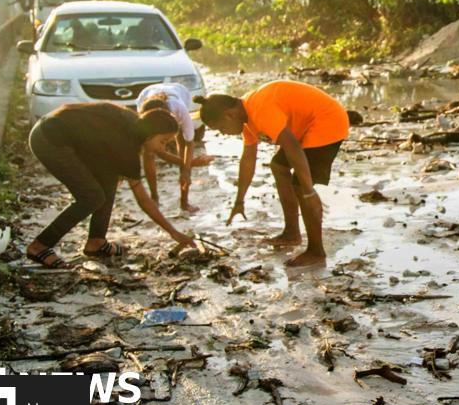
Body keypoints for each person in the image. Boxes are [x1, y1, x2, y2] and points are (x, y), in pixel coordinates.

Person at [195, 81, 349, 267]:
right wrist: (239, 201)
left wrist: (308, 190)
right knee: (278, 166)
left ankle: (316, 251)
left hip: (328, 121)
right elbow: (248, 159)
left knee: (300, 186)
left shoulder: (260, 110)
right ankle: (292, 233)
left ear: (229, 115)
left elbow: (292, 146)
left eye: (221, 128)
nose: (223, 133)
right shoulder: (247, 117)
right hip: (306, 127)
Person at [26, 102, 196, 268]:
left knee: (109, 180)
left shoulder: (135, 123)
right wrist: (173, 232)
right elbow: (143, 200)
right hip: (49, 140)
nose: (162, 148)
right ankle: (40, 245)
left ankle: (96, 242)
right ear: (150, 134)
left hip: (63, 134)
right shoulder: (126, 148)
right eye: (163, 141)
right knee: (91, 197)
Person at [136, 82, 212, 212]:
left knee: (181, 143)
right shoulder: (144, 111)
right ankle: (154, 198)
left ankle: (184, 202)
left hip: (179, 93)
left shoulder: (180, 109)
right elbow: (156, 151)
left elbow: (189, 144)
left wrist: (186, 171)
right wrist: (193, 163)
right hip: (146, 94)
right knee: (149, 152)